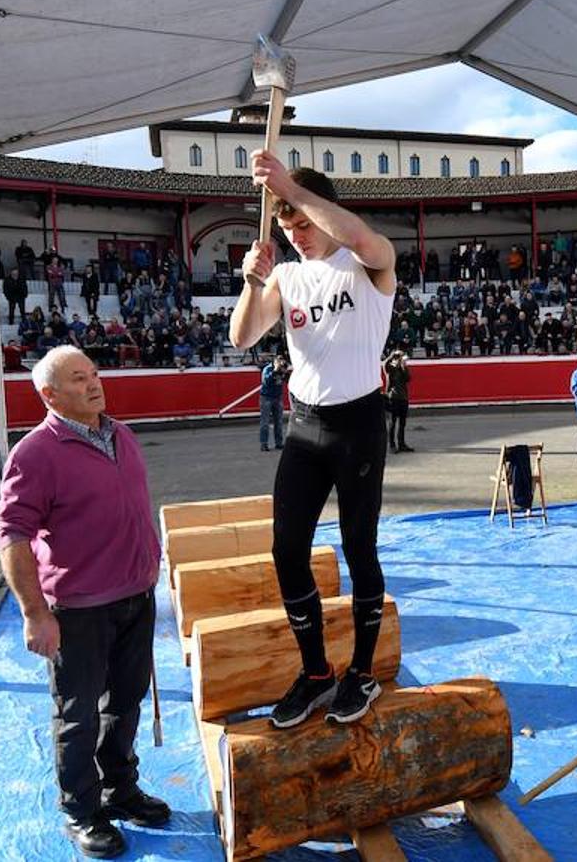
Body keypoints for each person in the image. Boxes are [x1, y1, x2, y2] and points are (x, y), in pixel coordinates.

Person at [228, 153, 395, 728]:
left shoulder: (367, 262)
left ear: (324, 213)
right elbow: (244, 334)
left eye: (303, 223)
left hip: (358, 425)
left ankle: (363, 672)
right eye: (287, 227)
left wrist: (291, 191)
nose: (297, 236)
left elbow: (359, 234)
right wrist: (253, 282)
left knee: (359, 548)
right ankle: (317, 669)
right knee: (286, 549)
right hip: (306, 425)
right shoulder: (286, 275)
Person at [0, 346, 169, 859]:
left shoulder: (122, 434)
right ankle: (80, 808)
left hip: (135, 598)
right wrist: (34, 612)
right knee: (78, 714)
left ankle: (119, 788)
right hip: (79, 608)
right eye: (78, 379)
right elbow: (12, 534)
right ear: (50, 395)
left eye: (94, 373)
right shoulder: (34, 454)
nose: (94, 383)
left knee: (127, 701)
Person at [383, 348, 413, 453]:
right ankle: (392, 445)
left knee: (402, 423)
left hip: (403, 398)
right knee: (393, 422)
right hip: (393, 398)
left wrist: (403, 365)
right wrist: (392, 355)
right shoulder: (391, 368)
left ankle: (401, 444)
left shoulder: (402, 368)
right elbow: (385, 365)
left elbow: (408, 378)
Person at [259, 354, 289, 452]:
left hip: (277, 397)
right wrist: (275, 371)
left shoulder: (282, 369)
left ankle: (279, 443)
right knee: (265, 422)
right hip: (266, 398)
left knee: (279, 422)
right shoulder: (267, 369)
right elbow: (266, 382)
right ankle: (264, 444)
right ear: (274, 362)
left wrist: (285, 373)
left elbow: (288, 380)